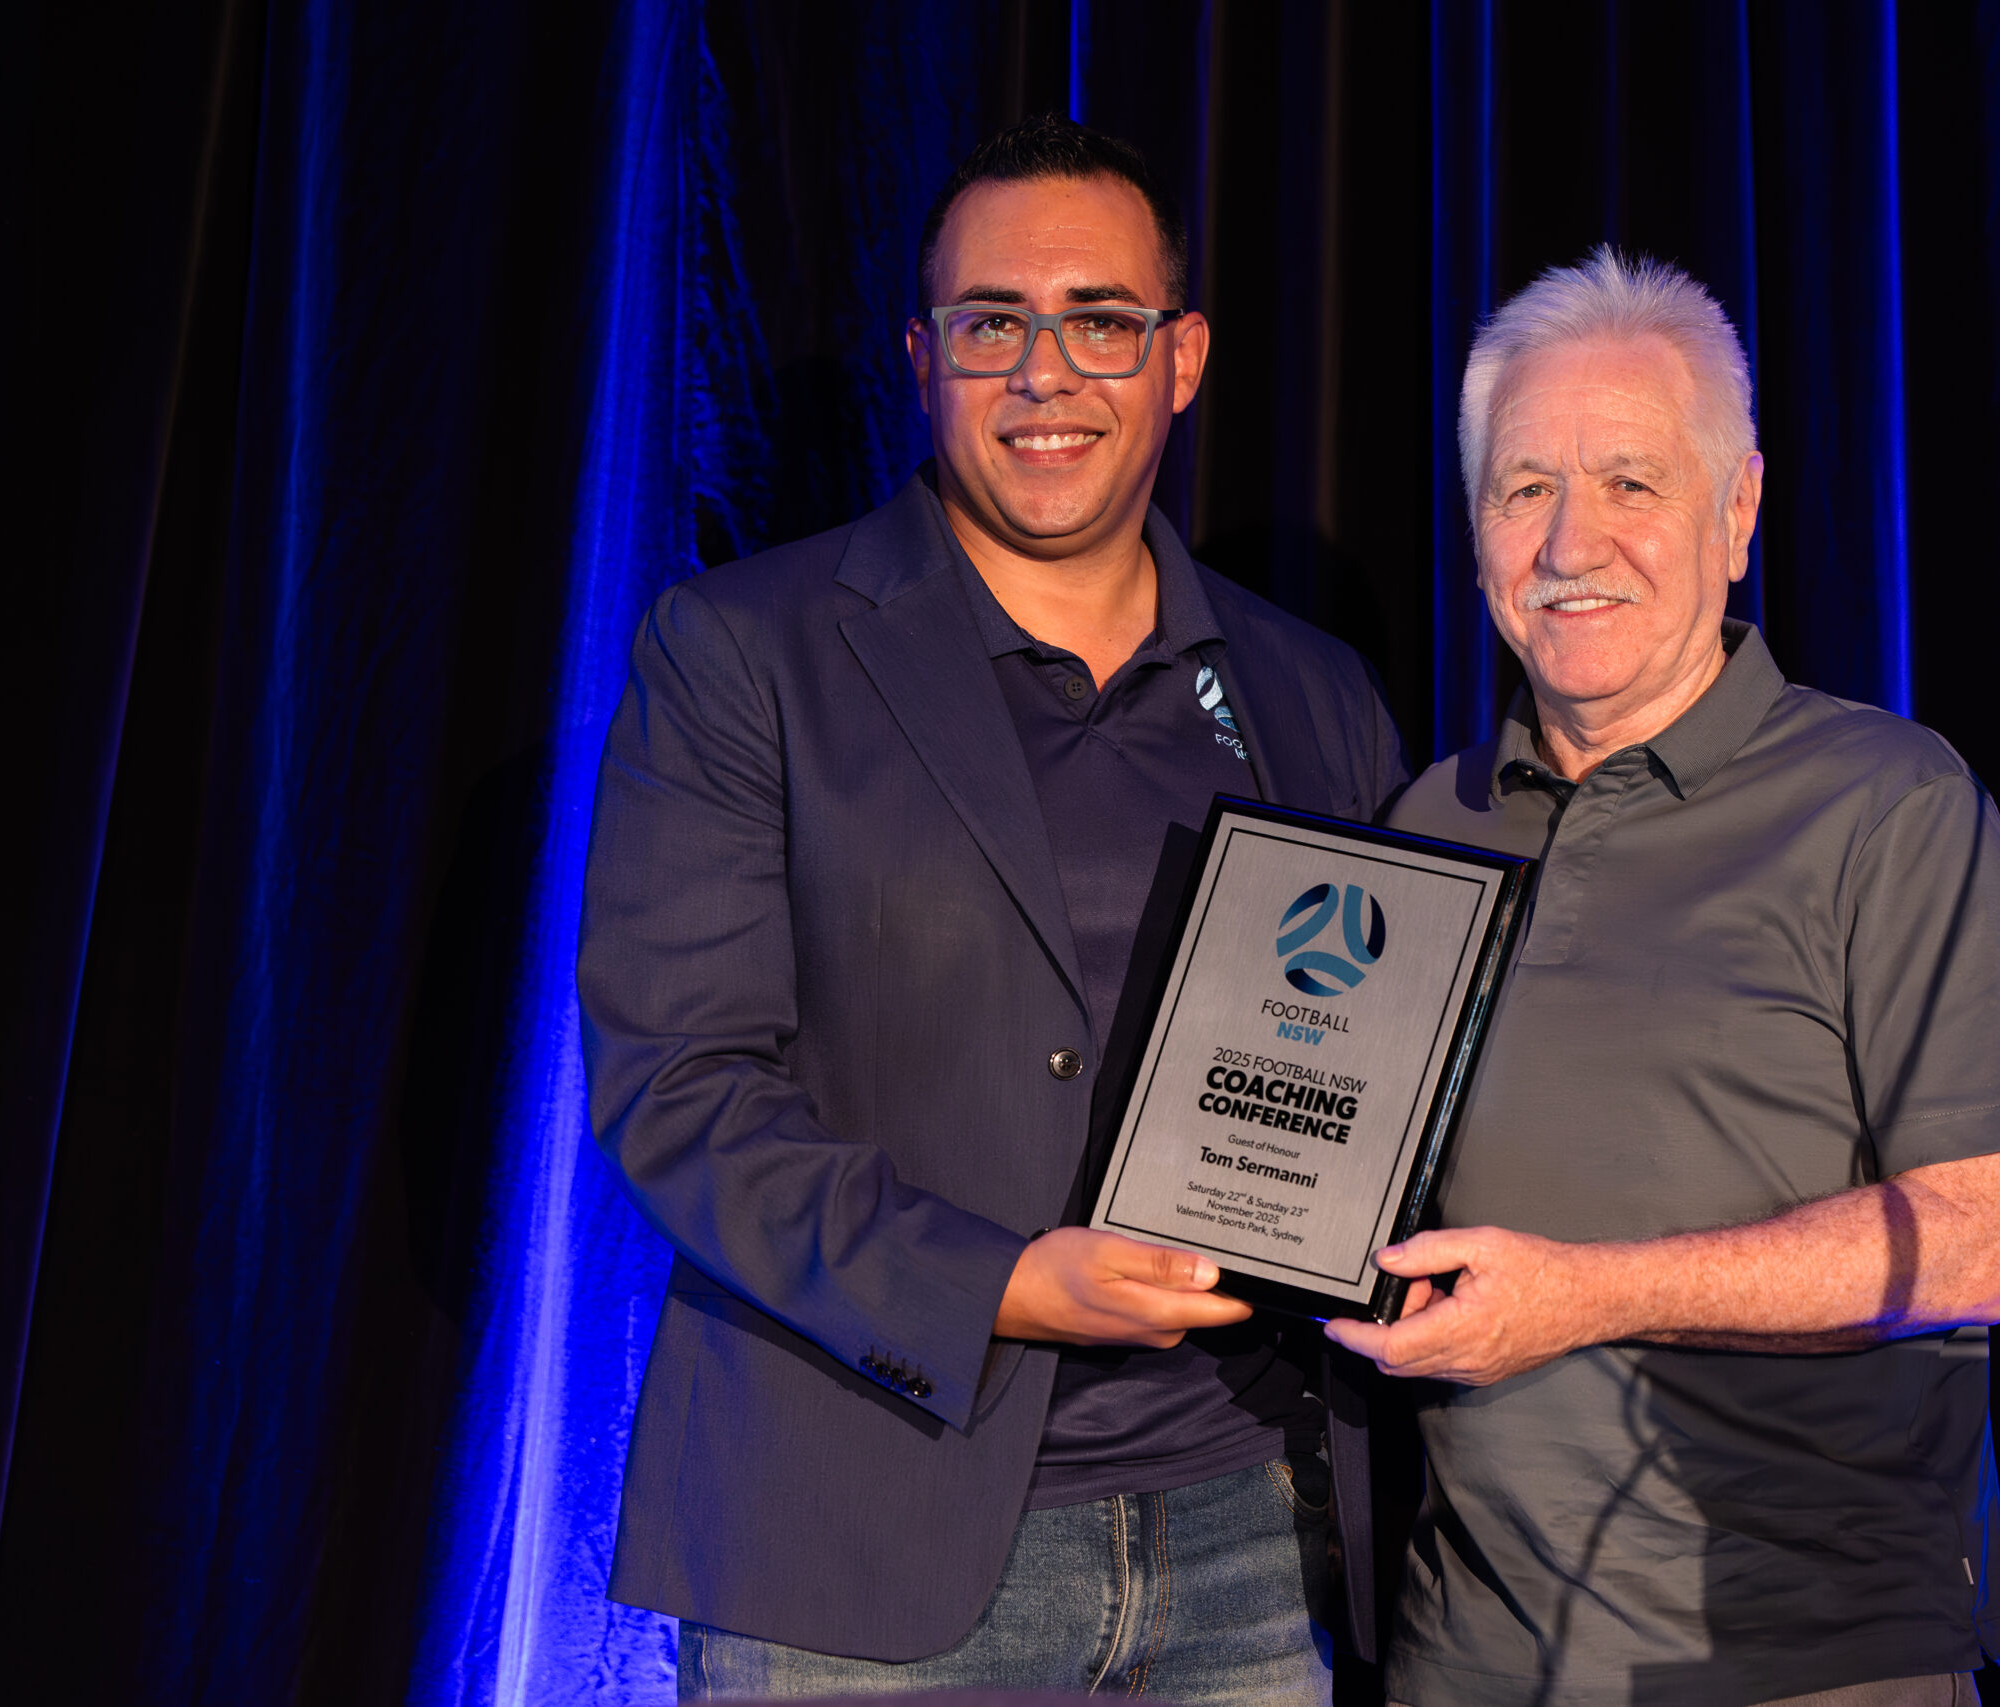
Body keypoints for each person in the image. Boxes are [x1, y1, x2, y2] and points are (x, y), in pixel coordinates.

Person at [579, 117, 1404, 1703]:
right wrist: (1007, 1286)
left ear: (1181, 358)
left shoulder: (1313, 696)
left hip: (1243, 1541)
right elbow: (678, 1090)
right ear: (923, 357)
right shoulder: (744, 653)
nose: (1045, 374)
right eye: (991, 324)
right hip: (856, 1555)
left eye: (1101, 321)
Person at [1326, 249, 2000, 1707]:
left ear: (1738, 511)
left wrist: (1586, 1295)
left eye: (1631, 484)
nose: (1570, 542)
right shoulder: (1424, 827)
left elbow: (1974, 1245)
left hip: (1810, 1664)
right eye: (1525, 489)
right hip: (1471, 1664)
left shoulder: (1887, 802)